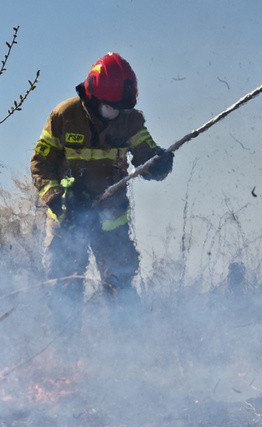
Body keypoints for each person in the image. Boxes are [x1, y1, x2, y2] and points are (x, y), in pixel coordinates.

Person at [30, 52, 173, 337]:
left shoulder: (130, 120)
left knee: (120, 286)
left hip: (112, 217)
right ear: (93, 97)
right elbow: (40, 163)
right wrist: (57, 197)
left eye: (122, 109)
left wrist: (157, 164)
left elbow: (145, 155)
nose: (117, 115)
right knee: (64, 286)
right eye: (112, 108)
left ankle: (128, 352)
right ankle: (64, 357)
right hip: (68, 217)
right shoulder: (63, 117)